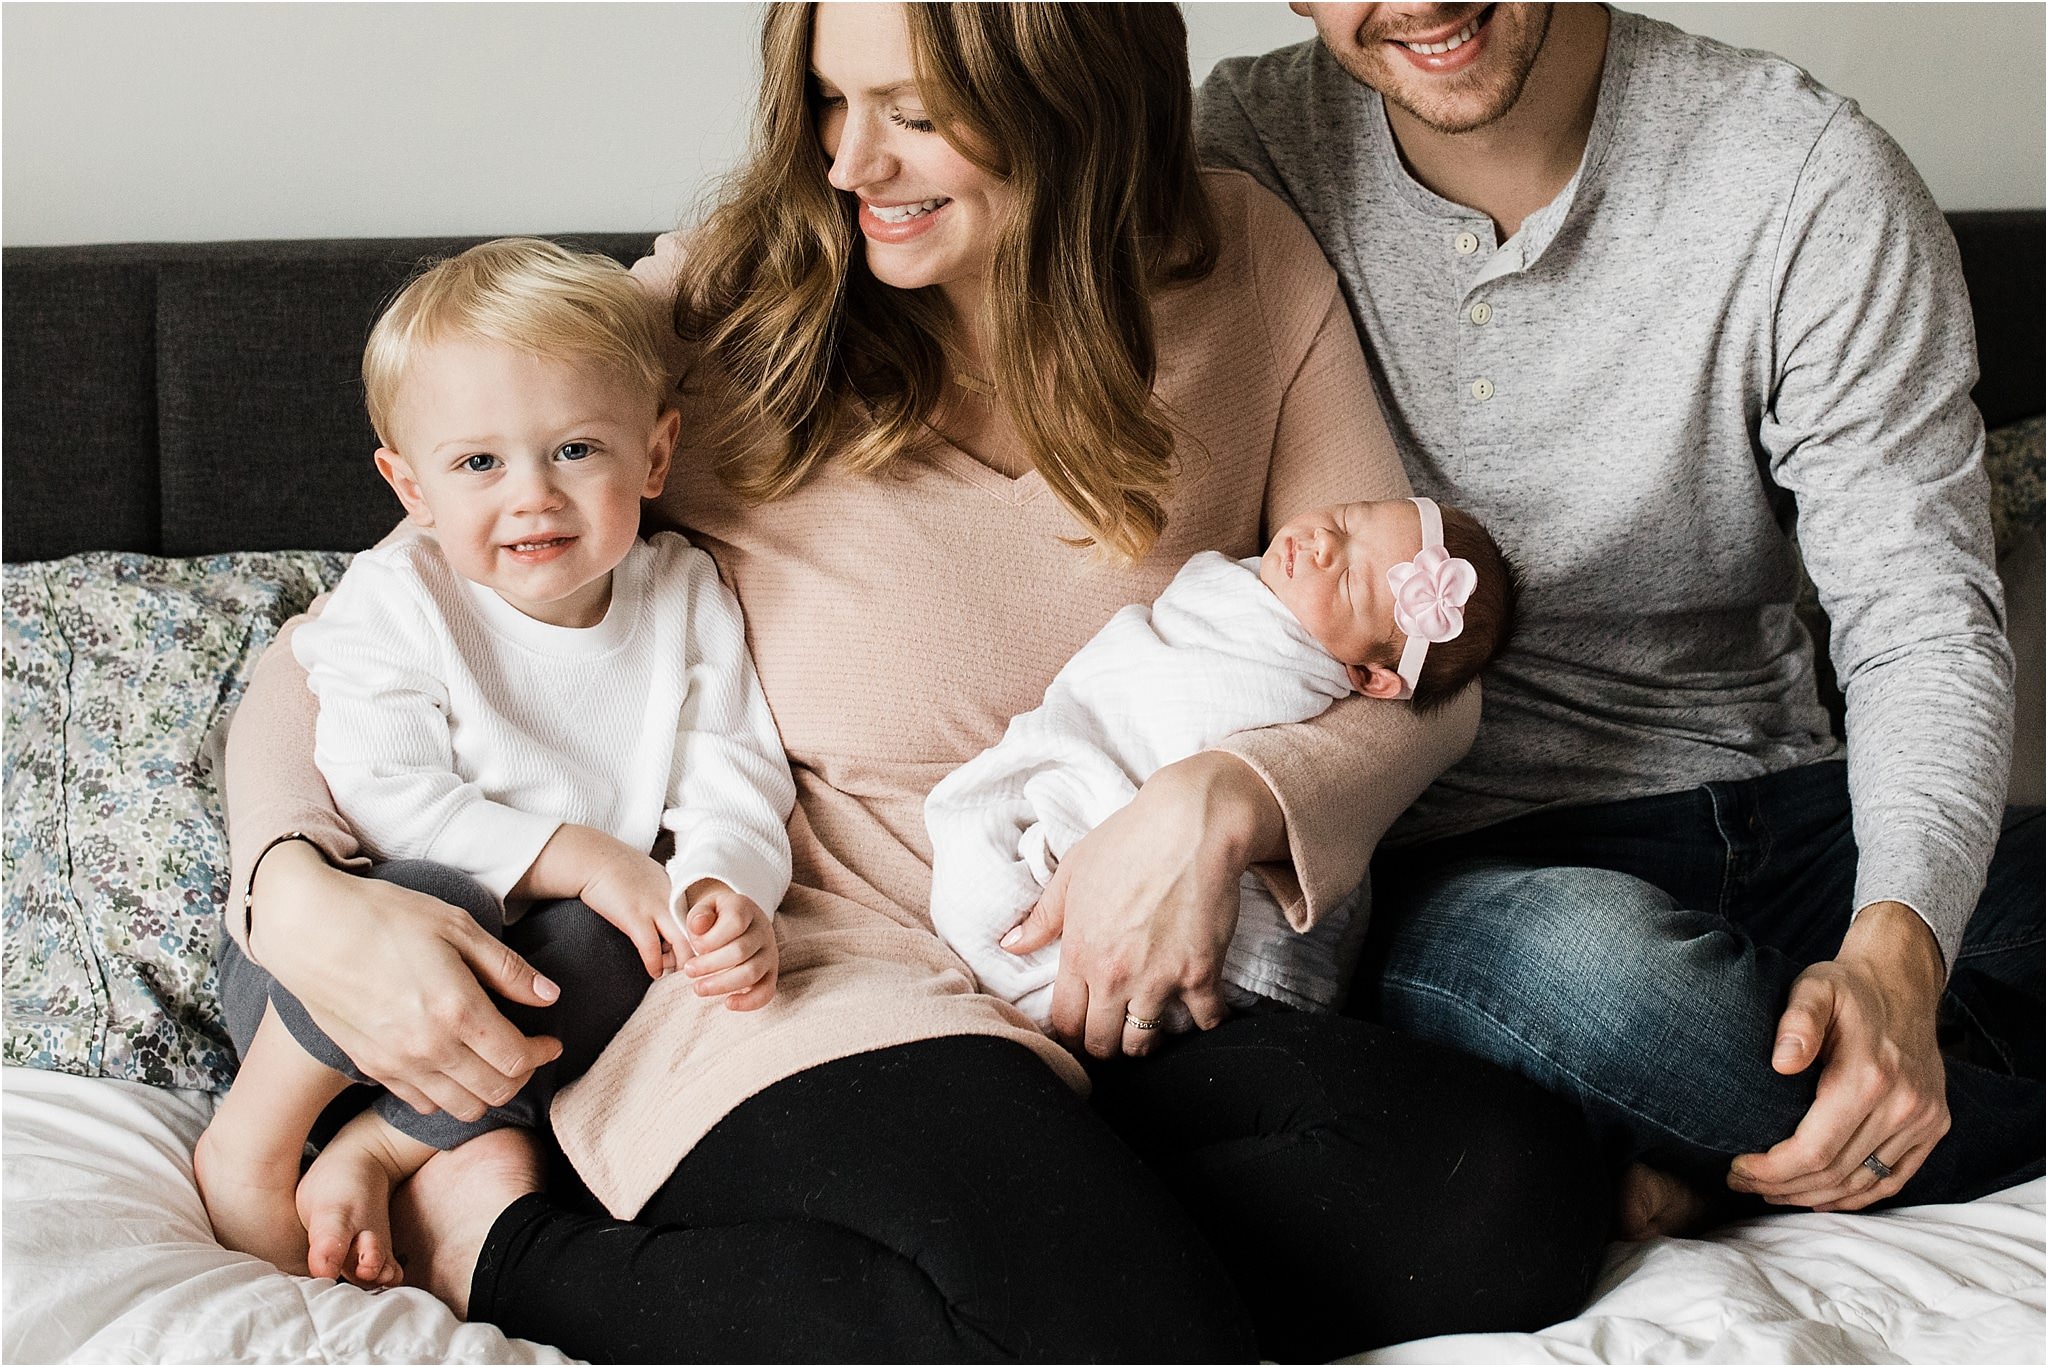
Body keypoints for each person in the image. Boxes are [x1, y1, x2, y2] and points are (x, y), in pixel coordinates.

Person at [219, 5, 1611, 1359]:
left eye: (914, 115)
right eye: (832, 99)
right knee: (1115, 1326)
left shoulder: (1242, 263)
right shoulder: (722, 311)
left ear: (1072, 100)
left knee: (1515, 1196)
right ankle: (505, 1238)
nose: (848, 162)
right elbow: (349, 635)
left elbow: (1423, 664)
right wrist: (292, 884)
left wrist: (1225, 798)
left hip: (1099, 970)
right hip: (814, 977)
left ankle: (1014, 1253)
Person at [1195, 2, 2044, 1235]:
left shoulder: (1802, 173)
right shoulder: (1239, 158)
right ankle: (1872, 1099)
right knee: (1596, 984)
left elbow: (1917, 609)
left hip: (1797, 814)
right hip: (1478, 868)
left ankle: (1724, 1128)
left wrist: (1895, 950)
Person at [195, 238, 794, 1290]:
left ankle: (383, 1145)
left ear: (654, 457)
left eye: (574, 450)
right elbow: (383, 794)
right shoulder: (398, 599)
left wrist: (715, 891)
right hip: (328, 988)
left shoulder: (684, 594)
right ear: (408, 484)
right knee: (435, 893)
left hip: (516, 1020)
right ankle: (252, 1135)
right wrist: (584, 855)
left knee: (632, 940)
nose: (532, 497)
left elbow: (732, 773)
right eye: (479, 463)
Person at [929, 496, 1517, 1027]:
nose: (1322, 544)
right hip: (1092, 763)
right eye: (1344, 518)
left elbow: (1191, 711)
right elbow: (1117, 684)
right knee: (984, 841)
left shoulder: (1292, 668)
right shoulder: (1230, 585)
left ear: (1369, 678)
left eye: (1346, 585)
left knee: (1009, 899)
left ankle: (1057, 974)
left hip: (1141, 824)